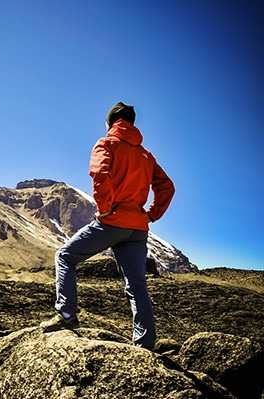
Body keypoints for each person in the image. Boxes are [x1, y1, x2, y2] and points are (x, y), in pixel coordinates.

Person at [40, 102, 175, 350]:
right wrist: (152, 215)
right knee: (136, 285)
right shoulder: (146, 155)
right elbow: (167, 187)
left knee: (65, 256)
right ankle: (145, 343)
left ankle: (66, 316)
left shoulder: (105, 144)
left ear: (110, 122)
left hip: (113, 221)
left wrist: (105, 210)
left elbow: (100, 176)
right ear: (132, 123)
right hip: (138, 228)